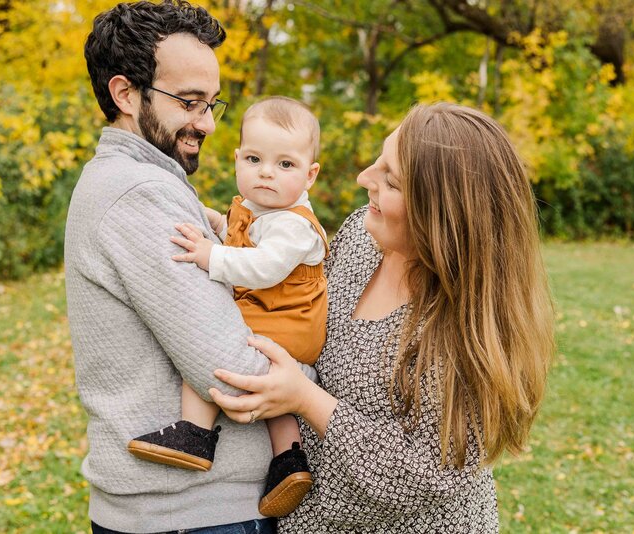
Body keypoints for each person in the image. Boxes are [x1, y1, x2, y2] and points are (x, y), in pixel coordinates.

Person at [209, 102, 555, 532]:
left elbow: (426, 474)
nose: (363, 179)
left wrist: (304, 399)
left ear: (440, 217)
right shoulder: (361, 236)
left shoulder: (465, 331)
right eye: (379, 161)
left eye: (389, 180)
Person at [65, 2, 312, 532]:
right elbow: (228, 370)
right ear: (126, 94)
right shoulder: (140, 192)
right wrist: (313, 385)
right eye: (190, 102)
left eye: (211, 105)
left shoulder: (141, 181)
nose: (207, 124)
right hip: (192, 516)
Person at [128, 96, 327, 518]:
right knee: (278, 397)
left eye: (285, 165)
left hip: (284, 319)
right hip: (282, 323)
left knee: (206, 340)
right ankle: (288, 462)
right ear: (238, 158)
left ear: (310, 175)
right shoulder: (262, 208)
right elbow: (241, 231)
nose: (267, 172)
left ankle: (196, 433)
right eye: (254, 158)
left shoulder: (293, 224)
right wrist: (214, 223)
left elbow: (263, 266)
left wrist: (209, 257)